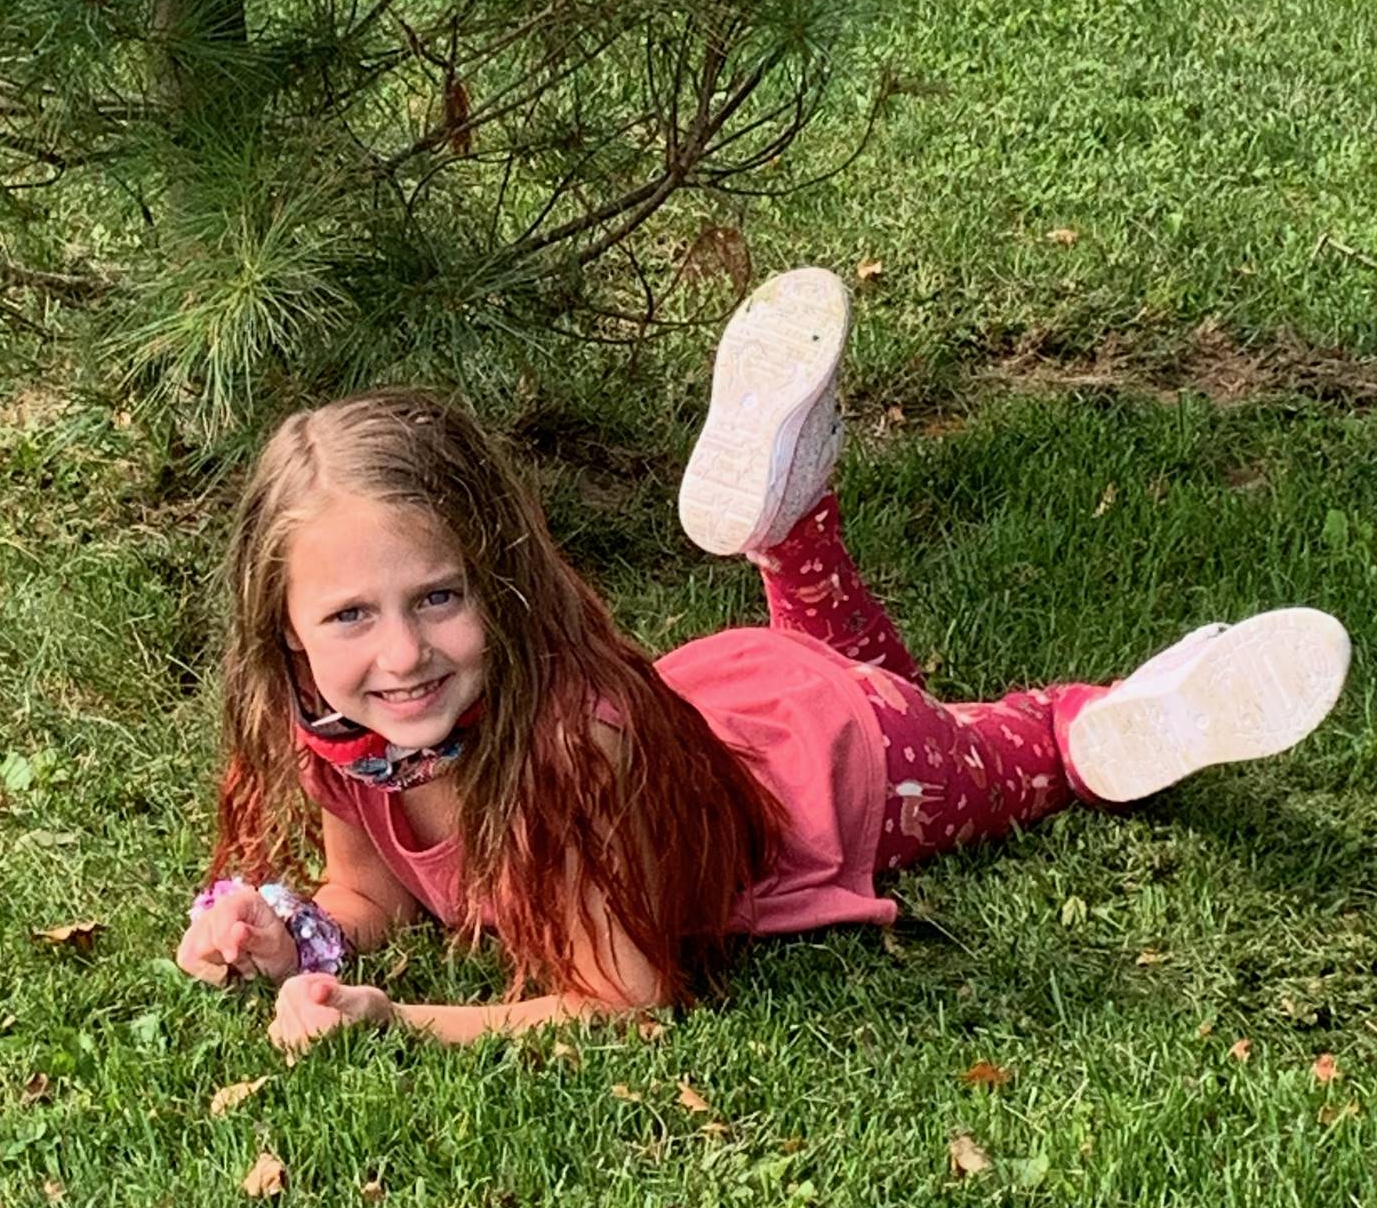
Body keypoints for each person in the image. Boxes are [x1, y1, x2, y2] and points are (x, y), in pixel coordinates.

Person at [176, 269, 1352, 1054]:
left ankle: (1120, 717)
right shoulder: (340, 736)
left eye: (438, 597)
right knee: (842, 653)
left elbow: (624, 1001)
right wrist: (298, 940)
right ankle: (791, 525)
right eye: (349, 619)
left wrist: (400, 1019)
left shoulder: (572, 747)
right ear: (287, 633)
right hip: (723, 701)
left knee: (990, 738)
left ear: (506, 584)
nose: (401, 656)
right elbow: (372, 891)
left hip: (839, 764)